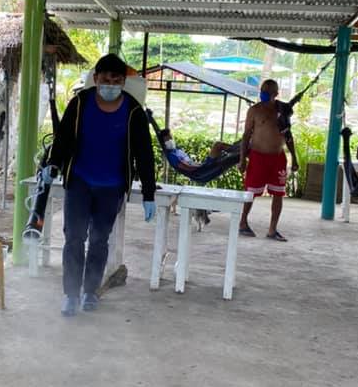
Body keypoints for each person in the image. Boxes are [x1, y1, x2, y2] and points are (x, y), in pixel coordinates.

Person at [43, 53, 156, 317]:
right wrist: (53, 163)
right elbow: (63, 138)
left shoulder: (134, 111)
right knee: (74, 237)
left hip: (111, 187)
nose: (110, 86)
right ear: (95, 79)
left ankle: (90, 292)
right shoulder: (80, 103)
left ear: (123, 83)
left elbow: (144, 154)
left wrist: (149, 193)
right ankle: (71, 294)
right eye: (105, 80)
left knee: (99, 239)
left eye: (116, 81)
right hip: (79, 182)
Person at [238, 79, 299, 241]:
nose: (263, 94)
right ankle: (243, 222)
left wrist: (294, 158)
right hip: (258, 156)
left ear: (275, 94)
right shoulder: (254, 110)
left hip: (278, 158)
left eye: (267, 91)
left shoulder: (282, 110)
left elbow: (288, 136)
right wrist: (242, 159)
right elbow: (246, 136)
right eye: (262, 90)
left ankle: (272, 229)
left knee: (278, 193)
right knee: (250, 192)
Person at [159, 128, 232, 174]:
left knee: (221, 150)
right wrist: (201, 166)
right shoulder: (172, 155)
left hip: (203, 167)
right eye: (167, 140)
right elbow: (187, 167)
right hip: (202, 171)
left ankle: (236, 151)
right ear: (164, 143)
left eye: (171, 138)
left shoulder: (178, 151)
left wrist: (200, 164)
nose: (170, 141)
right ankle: (236, 150)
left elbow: (190, 162)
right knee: (218, 145)